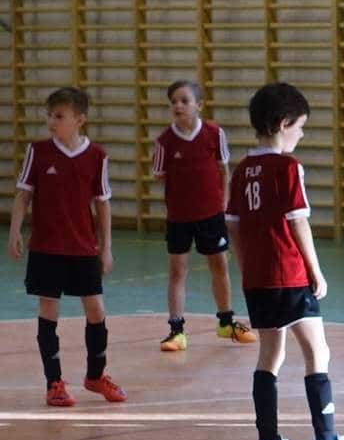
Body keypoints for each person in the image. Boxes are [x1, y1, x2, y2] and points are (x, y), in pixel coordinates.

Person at [226, 82, 344, 440]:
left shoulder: (242, 170)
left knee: (270, 355)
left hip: (257, 279)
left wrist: (246, 267)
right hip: (289, 274)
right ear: (283, 123)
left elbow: (233, 225)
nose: (301, 135)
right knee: (317, 351)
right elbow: (298, 221)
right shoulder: (288, 168)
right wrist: (316, 271)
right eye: (300, 127)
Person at [7, 87, 127, 407]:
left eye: (59, 116)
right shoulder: (38, 151)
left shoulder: (97, 156)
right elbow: (23, 194)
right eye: (49, 115)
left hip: (83, 246)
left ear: (79, 119)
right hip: (46, 247)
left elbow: (102, 204)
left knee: (96, 309)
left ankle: (96, 375)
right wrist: (15, 231)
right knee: (49, 309)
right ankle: (54, 383)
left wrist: (107, 247)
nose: (51, 122)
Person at [152, 79, 257, 351]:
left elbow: (224, 170)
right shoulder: (164, 141)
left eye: (184, 101)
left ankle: (226, 323)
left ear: (198, 105)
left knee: (219, 265)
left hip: (211, 215)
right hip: (178, 217)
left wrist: (224, 205)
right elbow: (159, 175)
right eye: (173, 101)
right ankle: (176, 331)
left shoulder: (214, 133)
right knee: (177, 270)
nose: (178, 106)